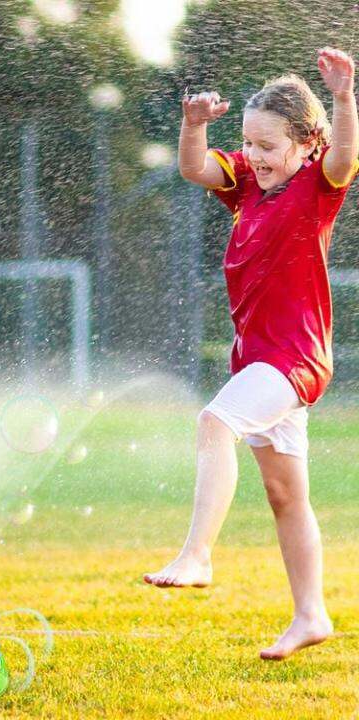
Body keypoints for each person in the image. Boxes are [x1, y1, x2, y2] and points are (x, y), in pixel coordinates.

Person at [144, 47, 359, 660]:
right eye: (249, 144)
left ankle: (197, 554)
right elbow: (194, 169)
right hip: (259, 359)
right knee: (286, 495)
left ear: (305, 142)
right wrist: (194, 125)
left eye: (269, 147)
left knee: (215, 422)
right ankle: (312, 615)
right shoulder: (246, 185)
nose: (256, 158)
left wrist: (344, 97)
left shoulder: (318, 186)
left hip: (293, 359)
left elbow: (345, 156)